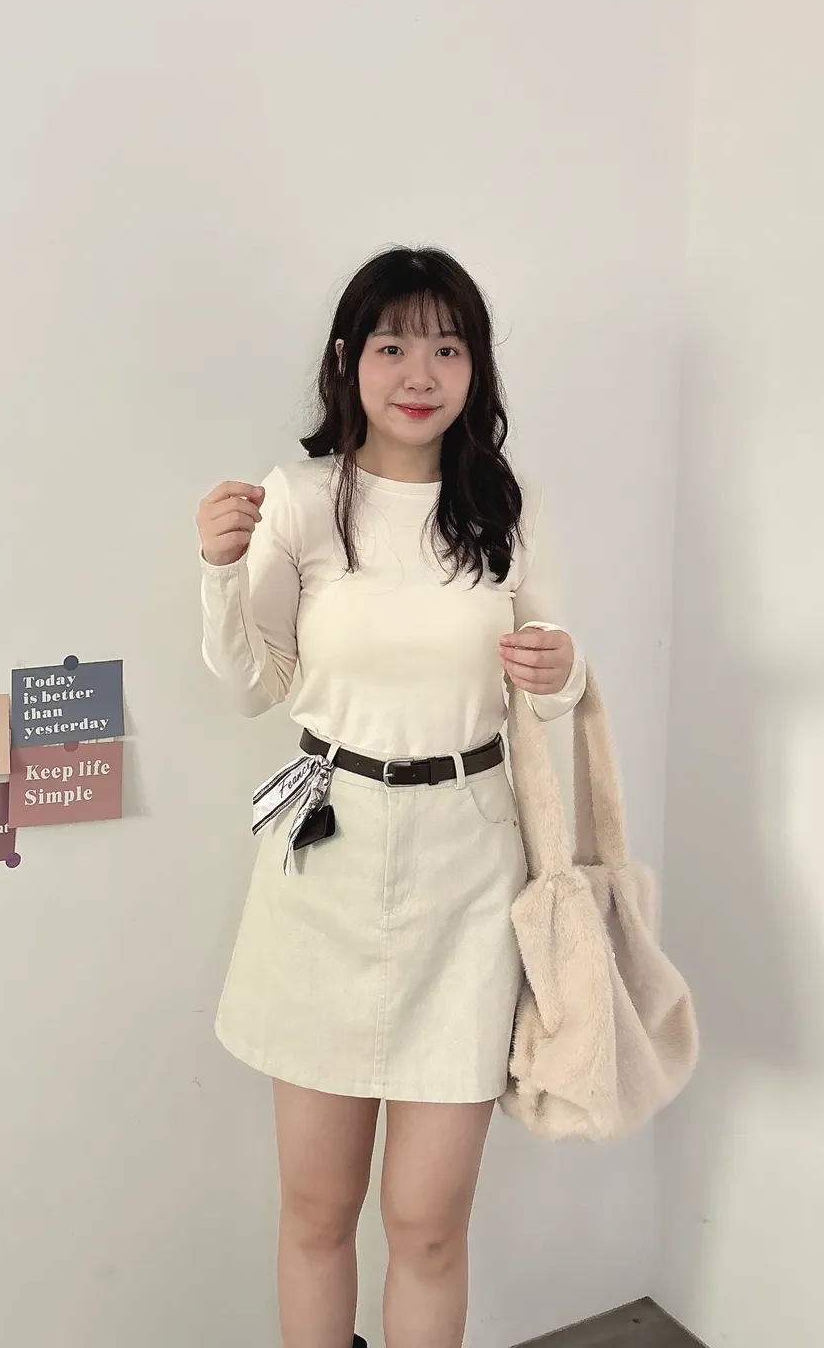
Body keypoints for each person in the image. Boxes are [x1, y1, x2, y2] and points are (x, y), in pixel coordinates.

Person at [196, 247, 586, 1348]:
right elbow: (253, 686)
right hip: (325, 857)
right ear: (348, 360)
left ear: (476, 368)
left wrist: (564, 669)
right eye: (393, 344)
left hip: (469, 869)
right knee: (318, 1210)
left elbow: (557, 675)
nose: (421, 372)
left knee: (428, 1225)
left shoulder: (504, 506)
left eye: (448, 348)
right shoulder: (300, 500)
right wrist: (221, 571)